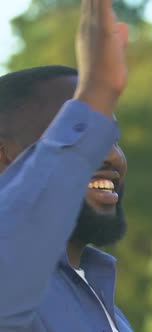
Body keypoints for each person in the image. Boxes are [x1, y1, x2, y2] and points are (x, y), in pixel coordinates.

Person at [0, 0, 133, 331]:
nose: (111, 156)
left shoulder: (114, 317)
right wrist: (97, 89)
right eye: (75, 131)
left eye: (110, 137)